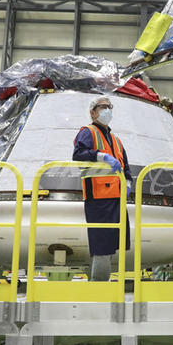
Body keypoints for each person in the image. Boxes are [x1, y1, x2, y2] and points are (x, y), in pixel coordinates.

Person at [72, 95, 132, 281]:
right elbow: (78, 154)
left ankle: (102, 280)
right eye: (102, 107)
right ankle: (99, 285)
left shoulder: (116, 140)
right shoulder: (88, 132)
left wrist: (128, 183)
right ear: (93, 112)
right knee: (102, 245)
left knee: (115, 242)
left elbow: (125, 167)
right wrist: (101, 156)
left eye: (109, 107)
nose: (107, 110)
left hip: (117, 198)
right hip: (98, 197)